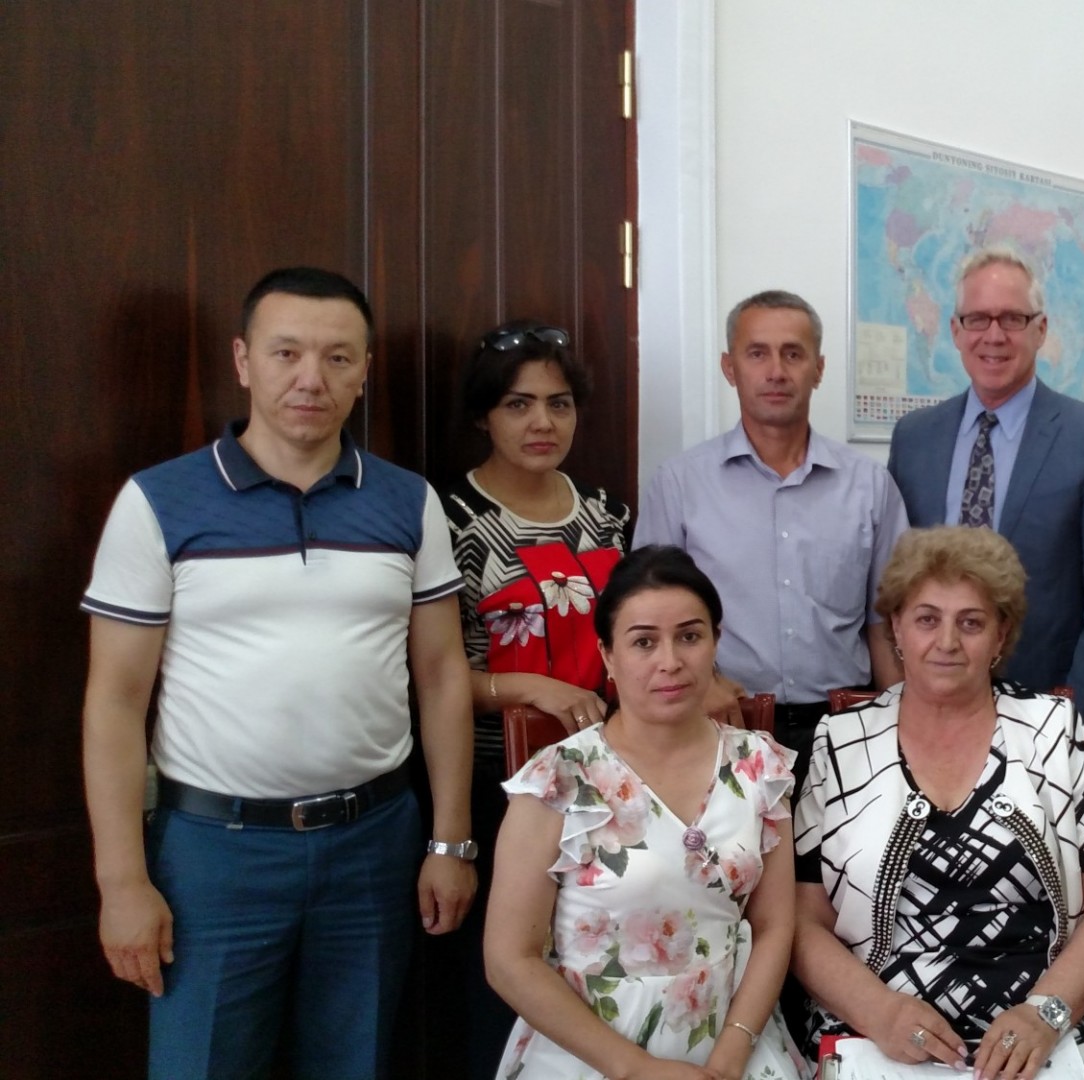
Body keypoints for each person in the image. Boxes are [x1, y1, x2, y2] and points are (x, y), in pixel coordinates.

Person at [80, 267, 477, 1078]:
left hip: (374, 845)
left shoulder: (407, 502)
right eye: (286, 352)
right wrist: (121, 880)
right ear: (243, 360)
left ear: (364, 370)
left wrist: (451, 839)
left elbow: (440, 676)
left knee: (357, 1063)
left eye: (337, 358)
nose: (310, 378)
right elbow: (116, 703)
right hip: (213, 854)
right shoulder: (160, 501)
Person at [793, 527, 1084, 1080]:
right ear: (898, 632)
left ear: (1001, 636)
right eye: (927, 619)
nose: (948, 641)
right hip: (878, 1032)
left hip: (1050, 1024)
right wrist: (878, 1011)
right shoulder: (838, 742)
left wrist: (1046, 1012)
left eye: (971, 622)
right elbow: (802, 919)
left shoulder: (1051, 730)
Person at [486, 545, 806, 1080]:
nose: (670, 662)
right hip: (591, 1052)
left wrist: (731, 1055)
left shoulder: (760, 766)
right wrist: (634, 1069)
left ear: (715, 642)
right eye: (643, 642)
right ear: (608, 655)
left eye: (689, 636)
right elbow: (508, 959)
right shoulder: (560, 778)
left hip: (734, 1040)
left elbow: (774, 926)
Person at [441, 318, 634, 1076]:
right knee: (500, 984)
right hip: (498, 790)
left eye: (559, 403)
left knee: (593, 974)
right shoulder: (451, 518)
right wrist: (523, 686)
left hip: (604, 783)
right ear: (484, 414)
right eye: (519, 405)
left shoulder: (607, 513)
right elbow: (425, 673)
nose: (542, 423)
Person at [637, 290, 907, 790]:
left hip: (847, 728)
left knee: (840, 869)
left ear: (819, 368)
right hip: (720, 722)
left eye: (793, 353)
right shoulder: (679, 484)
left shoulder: (869, 486)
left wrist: (905, 726)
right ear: (729, 366)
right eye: (757, 353)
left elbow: (886, 623)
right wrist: (705, 686)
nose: (776, 371)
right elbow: (649, 620)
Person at [887, 249, 1084, 757]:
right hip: (929, 715)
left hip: (1046, 718)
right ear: (955, 331)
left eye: (1012, 319)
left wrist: (1082, 724)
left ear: (1040, 330)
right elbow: (901, 590)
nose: (993, 336)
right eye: (977, 319)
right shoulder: (914, 438)